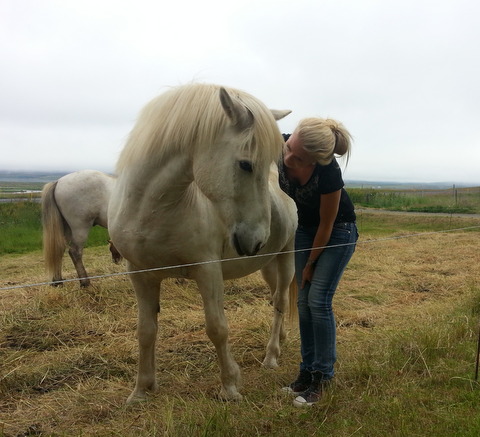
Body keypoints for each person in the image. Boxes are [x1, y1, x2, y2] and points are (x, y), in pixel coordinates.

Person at [278, 117, 358, 407]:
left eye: (297, 157)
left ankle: (322, 378)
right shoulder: (280, 143)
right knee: (302, 302)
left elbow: (327, 224)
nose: (287, 157)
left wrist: (311, 263)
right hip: (304, 229)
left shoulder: (328, 173)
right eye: (288, 147)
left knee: (318, 301)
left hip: (337, 232)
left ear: (314, 160)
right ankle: (306, 372)